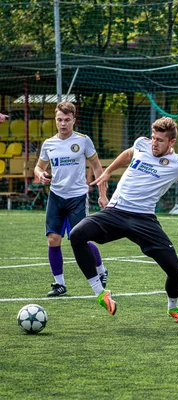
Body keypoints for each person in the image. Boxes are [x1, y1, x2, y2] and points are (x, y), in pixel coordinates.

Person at [69, 116, 178, 323]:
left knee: (174, 271)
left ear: (171, 142)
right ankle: (100, 293)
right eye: (153, 138)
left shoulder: (177, 163)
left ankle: (173, 308)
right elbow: (128, 154)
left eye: (159, 140)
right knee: (76, 234)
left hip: (144, 220)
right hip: (116, 211)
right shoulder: (142, 144)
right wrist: (108, 172)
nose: (154, 143)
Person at [33, 101, 109, 297]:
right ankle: (59, 284)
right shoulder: (48, 144)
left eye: (67, 120)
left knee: (81, 239)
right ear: (55, 120)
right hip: (56, 196)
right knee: (53, 239)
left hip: (77, 197)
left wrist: (102, 194)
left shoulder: (83, 141)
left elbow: (97, 167)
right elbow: (39, 167)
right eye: (59, 120)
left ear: (73, 120)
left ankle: (101, 270)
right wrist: (40, 174)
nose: (63, 124)